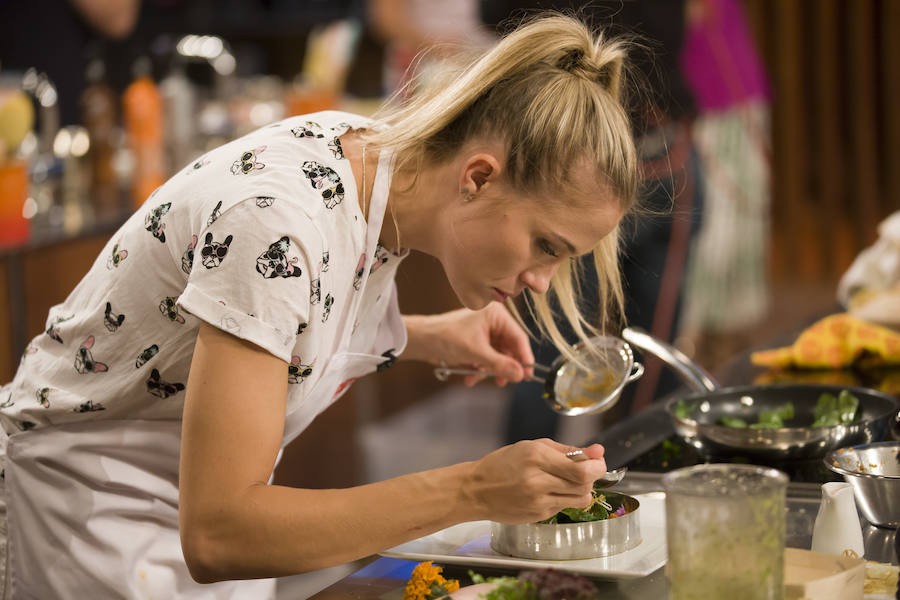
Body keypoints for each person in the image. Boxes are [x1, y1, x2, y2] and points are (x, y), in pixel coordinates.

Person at [0, 13, 638, 598]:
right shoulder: (277, 222)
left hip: (183, 525)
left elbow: (277, 319)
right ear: (476, 176)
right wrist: (471, 489)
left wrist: (419, 336)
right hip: (90, 518)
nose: (543, 283)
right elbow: (220, 533)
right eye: (545, 245)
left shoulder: (375, 169)